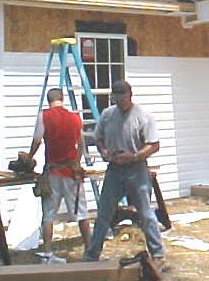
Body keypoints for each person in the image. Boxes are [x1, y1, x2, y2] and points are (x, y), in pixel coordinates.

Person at [83, 80, 164, 270]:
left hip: (136, 168)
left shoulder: (143, 117)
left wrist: (135, 156)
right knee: (104, 213)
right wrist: (104, 151)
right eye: (116, 98)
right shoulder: (107, 115)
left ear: (130, 95)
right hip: (114, 169)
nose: (119, 101)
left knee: (145, 213)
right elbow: (98, 139)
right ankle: (92, 255)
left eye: (122, 98)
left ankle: (157, 254)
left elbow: (154, 145)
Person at [27, 88, 90, 264]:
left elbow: (37, 140)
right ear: (62, 99)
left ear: (49, 101)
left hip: (53, 172)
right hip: (71, 172)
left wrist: (29, 157)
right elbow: (81, 145)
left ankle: (48, 253)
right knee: (81, 212)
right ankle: (90, 249)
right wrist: (77, 163)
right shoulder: (75, 118)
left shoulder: (44, 116)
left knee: (48, 214)